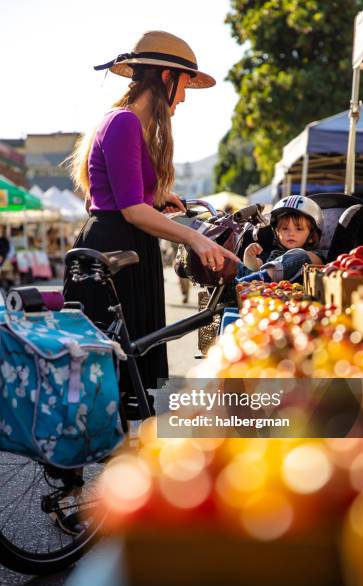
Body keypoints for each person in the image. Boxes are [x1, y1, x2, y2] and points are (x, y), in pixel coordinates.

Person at [63, 30, 239, 402]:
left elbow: (124, 196)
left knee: (125, 365)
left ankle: (118, 445)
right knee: (113, 367)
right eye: (185, 85)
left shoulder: (128, 123)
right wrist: (194, 237)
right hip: (115, 245)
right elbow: (129, 209)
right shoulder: (125, 122)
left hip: (123, 242)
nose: (185, 97)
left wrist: (157, 197)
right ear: (166, 77)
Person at [236, 196, 325, 283]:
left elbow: (312, 260)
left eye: (299, 229)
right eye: (285, 228)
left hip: (292, 295)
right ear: (277, 233)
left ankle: (240, 283)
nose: (291, 233)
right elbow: (254, 267)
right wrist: (249, 256)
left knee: (300, 254)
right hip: (260, 293)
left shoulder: (314, 255)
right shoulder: (273, 254)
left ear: (312, 236)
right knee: (231, 260)